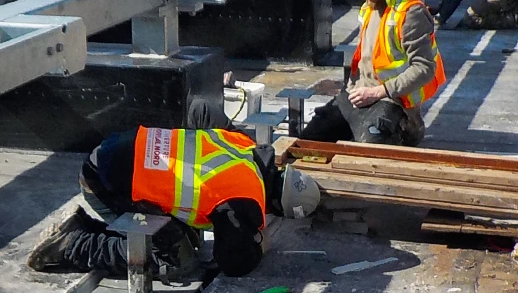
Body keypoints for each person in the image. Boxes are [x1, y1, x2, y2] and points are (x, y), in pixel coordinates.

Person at [26, 99, 321, 279]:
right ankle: (73, 244)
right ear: (278, 208)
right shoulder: (245, 204)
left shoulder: (245, 146)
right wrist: (256, 242)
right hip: (104, 184)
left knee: (186, 232)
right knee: (180, 261)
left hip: (109, 152)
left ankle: (86, 226)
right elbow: (234, 263)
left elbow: (201, 110)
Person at [300, 0, 446, 147]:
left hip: (393, 101)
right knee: (309, 140)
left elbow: (424, 68)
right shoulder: (367, 9)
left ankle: (408, 128)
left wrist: (377, 92)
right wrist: (353, 91)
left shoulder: (409, 14)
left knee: (370, 150)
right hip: (361, 95)